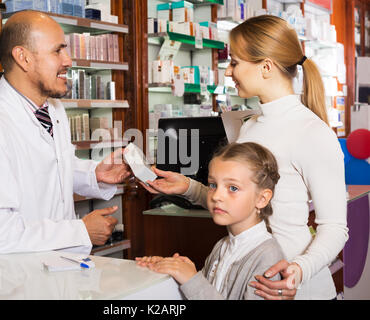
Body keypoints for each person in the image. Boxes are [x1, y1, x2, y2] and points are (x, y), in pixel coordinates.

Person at [140, 15, 348, 300]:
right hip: (247, 280)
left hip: (294, 290)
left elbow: (335, 228)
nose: (228, 72)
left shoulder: (312, 132)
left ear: (265, 67)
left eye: (235, 62)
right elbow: (240, 202)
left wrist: (297, 271)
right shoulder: (248, 126)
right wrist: (187, 187)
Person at [0, 10, 131, 254]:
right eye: (57, 51)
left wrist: (95, 174)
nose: (68, 60)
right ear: (23, 58)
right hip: (20, 283)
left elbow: (53, 167)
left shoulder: (53, 109)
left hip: (61, 272)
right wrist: (80, 231)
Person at [137, 142, 285, 299]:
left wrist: (192, 279)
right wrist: (174, 271)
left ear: (262, 199)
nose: (215, 196)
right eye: (213, 185)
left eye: (233, 188)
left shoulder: (267, 257)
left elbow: (198, 287)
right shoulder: (222, 246)